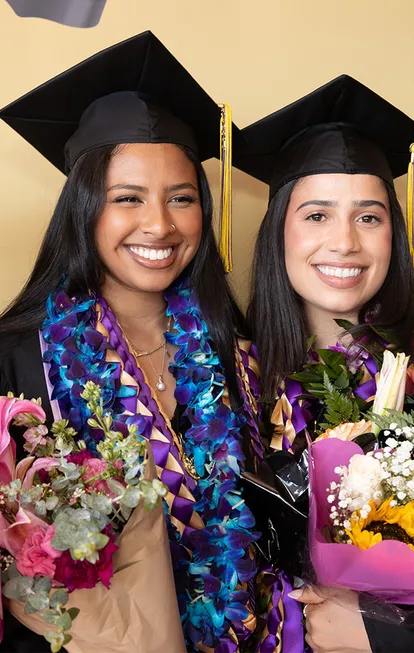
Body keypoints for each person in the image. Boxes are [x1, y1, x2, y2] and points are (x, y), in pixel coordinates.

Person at [0, 31, 300, 653]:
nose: (160, 224)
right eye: (126, 198)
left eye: (182, 199)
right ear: (83, 209)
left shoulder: (237, 358)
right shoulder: (16, 359)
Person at [237, 75, 414, 652]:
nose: (345, 242)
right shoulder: (231, 380)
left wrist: (383, 634)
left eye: (369, 217)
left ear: (393, 235)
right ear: (279, 230)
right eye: (317, 215)